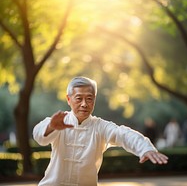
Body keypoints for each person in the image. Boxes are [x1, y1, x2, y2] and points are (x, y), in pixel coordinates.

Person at [33, 76, 168, 186]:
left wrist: (145, 148)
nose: (84, 104)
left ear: (94, 100)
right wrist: (51, 127)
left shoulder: (100, 127)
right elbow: (39, 135)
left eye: (89, 99)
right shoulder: (58, 122)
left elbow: (123, 134)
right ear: (69, 99)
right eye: (79, 98)